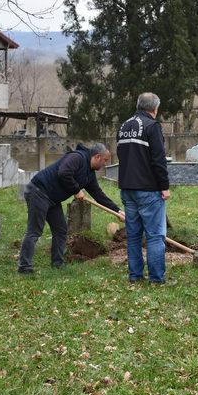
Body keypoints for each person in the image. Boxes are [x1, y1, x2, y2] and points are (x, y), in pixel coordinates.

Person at [17, 143, 124, 274]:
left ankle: (57, 263)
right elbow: (64, 172)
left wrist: (117, 211)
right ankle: (24, 267)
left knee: (60, 230)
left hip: (52, 199)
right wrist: (76, 190)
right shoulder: (77, 158)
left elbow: (98, 194)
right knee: (35, 231)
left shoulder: (89, 175)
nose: (105, 164)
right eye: (105, 160)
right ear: (97, 157)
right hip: (39, 191)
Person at [116, 92, 170, 284]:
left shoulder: (124, 126)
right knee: (155, 236)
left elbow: (121, 155)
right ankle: (156, 278)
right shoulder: (152, 126)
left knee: (133, 236)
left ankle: (135, 276)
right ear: (155, 108)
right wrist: (164, 186)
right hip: (148, 189)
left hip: (127, 188)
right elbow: (158, 159)